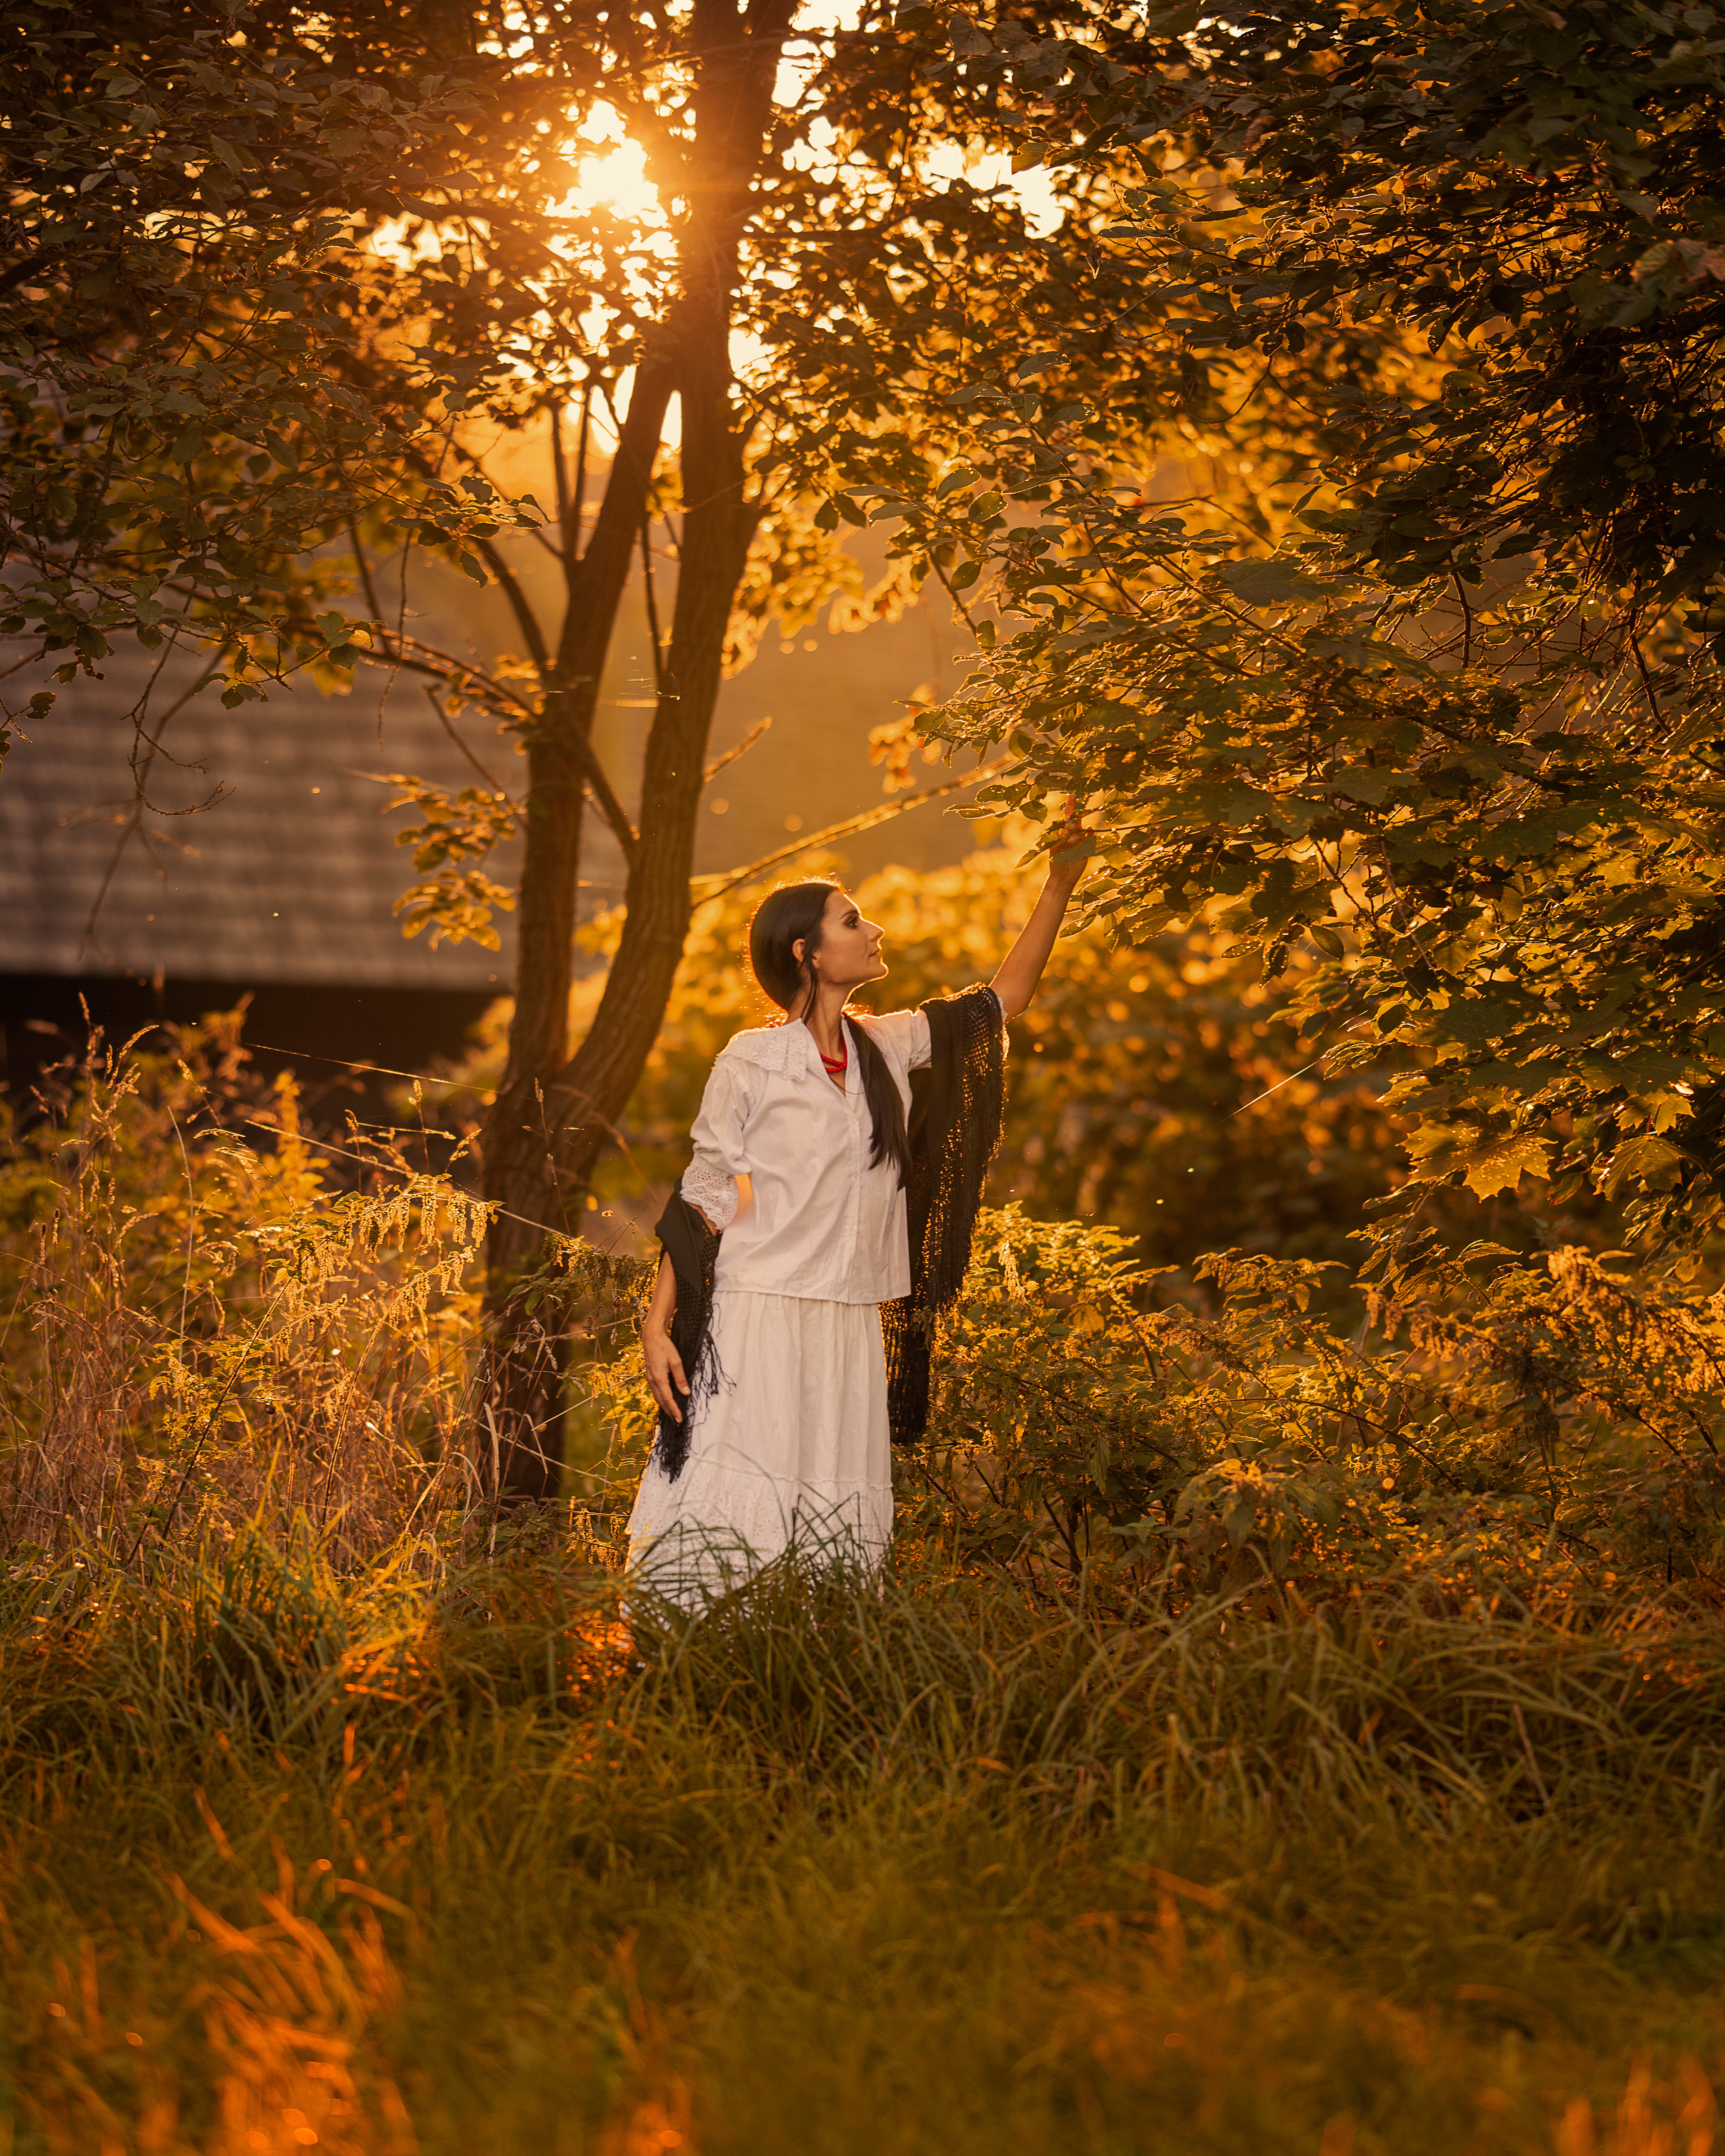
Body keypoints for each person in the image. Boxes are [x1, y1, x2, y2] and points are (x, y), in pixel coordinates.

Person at [628, 815, 1092, 1605]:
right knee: (741, 1483)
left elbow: (1003, 1001)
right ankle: (693, 1649)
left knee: (832, 1501)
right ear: (807, 953)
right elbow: (703, 1199)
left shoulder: (887, 1044)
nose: (873, 930)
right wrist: (655, 1326)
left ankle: (814, 1653)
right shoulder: (753, 1059)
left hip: (848, 1320)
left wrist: (1061, 882)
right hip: (759, 1312)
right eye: (852, 920)